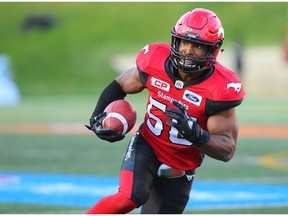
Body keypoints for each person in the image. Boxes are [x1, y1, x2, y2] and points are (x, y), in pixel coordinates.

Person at [86, 8, 245, 214]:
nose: (188, 50)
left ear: (212, 50)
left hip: (181, 166)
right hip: (147, 145)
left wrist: (196, 134)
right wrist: (98, 116)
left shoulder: (219, 89)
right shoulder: (156, 61)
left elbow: (227, 149)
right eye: (185, 42)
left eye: (197, 45)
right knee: (128, 198)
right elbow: (122, 83)